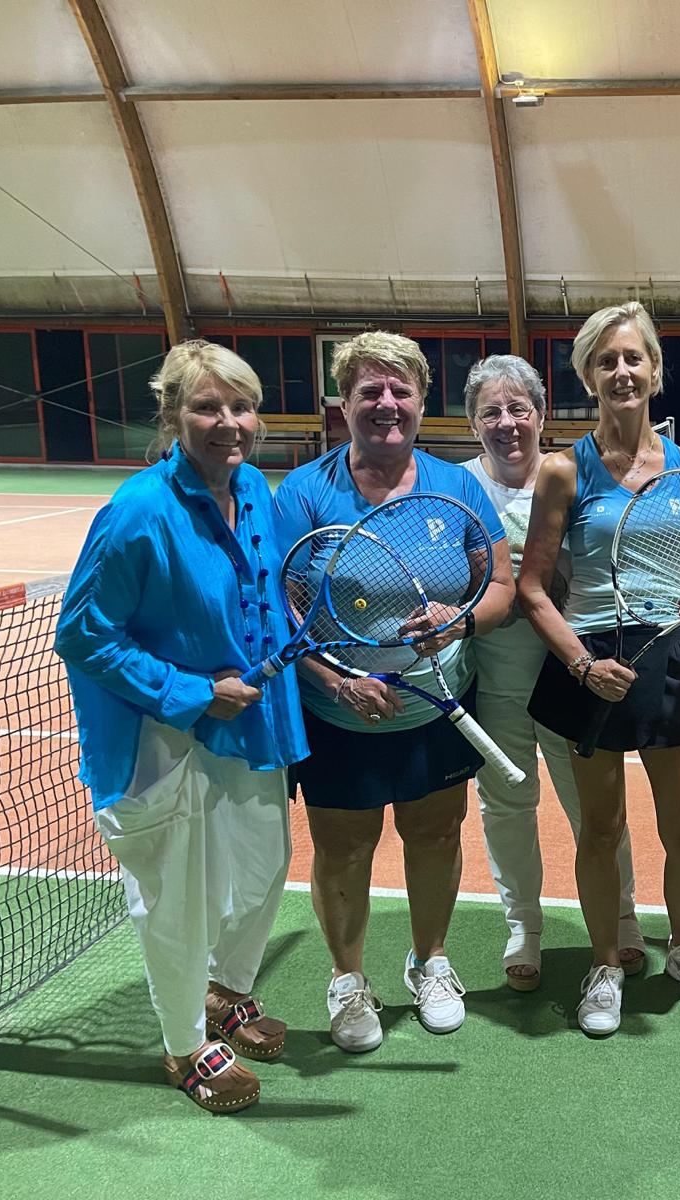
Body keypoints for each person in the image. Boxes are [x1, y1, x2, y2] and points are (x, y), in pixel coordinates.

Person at [56, 340, 307, 1114]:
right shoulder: (136, 511)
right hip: (164, 738)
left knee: (267, 867)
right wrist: (192, 691)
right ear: (173, 415)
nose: (228, 423)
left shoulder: (256, 489)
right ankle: (184, 1045)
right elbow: (84, 634)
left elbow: (265, 599)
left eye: (240, 406)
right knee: (178, 900)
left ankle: (227, 990)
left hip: (253, 721)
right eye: (207, 406)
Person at [273, 331, 513, 1050]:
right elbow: (276, 606)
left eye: (400, 390)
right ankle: (349, 980)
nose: (386, 405)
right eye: (369, 391)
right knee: (345, 849)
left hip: (435, 704)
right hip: (338, 715)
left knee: (435, 833)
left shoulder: (458, 486)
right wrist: (333, 678)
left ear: (420, 401)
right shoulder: (305, 492)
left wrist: (460, 622)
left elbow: (497, 586)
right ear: (342, 403)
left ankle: (430, 960)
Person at [518, 301, 680, 1037]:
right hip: (593, 661)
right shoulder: (561, 470)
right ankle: (607, 964)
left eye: (633, 358)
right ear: (588, 375)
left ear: (654, 370)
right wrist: (582, 666)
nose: (622, 371)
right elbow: (532, 588)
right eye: (606, 361)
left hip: (666, 659)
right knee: (601, 831)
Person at [461, 354, 647, 990]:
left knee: (598, 813)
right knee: (507, 805)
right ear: (471, 421)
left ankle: (622, 922)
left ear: (541, 414)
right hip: (495, 681)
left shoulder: (573, 475)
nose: (507, 422)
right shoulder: (459, 487)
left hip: (574, 677)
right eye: (492, 411)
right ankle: (524, 927)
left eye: (519, 409)